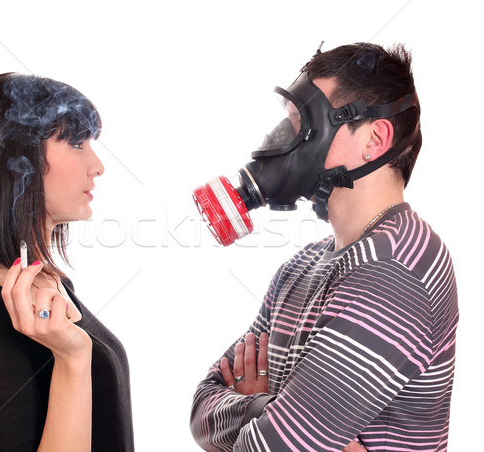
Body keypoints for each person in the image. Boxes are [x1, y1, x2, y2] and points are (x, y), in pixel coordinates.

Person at [190, 43, 458, 451]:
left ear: (375, 137)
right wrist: (267, 408)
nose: (283, 141)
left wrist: (256, 413)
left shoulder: (396, 272)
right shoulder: (301, 266)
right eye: (287, 124)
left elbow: (267, 448)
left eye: (303, 126)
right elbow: (201, 410)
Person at [0, 73, 134, 451]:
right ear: (12, 160)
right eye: (76, 143)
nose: (97, 166)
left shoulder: (51, 287)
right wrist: (72, 358)